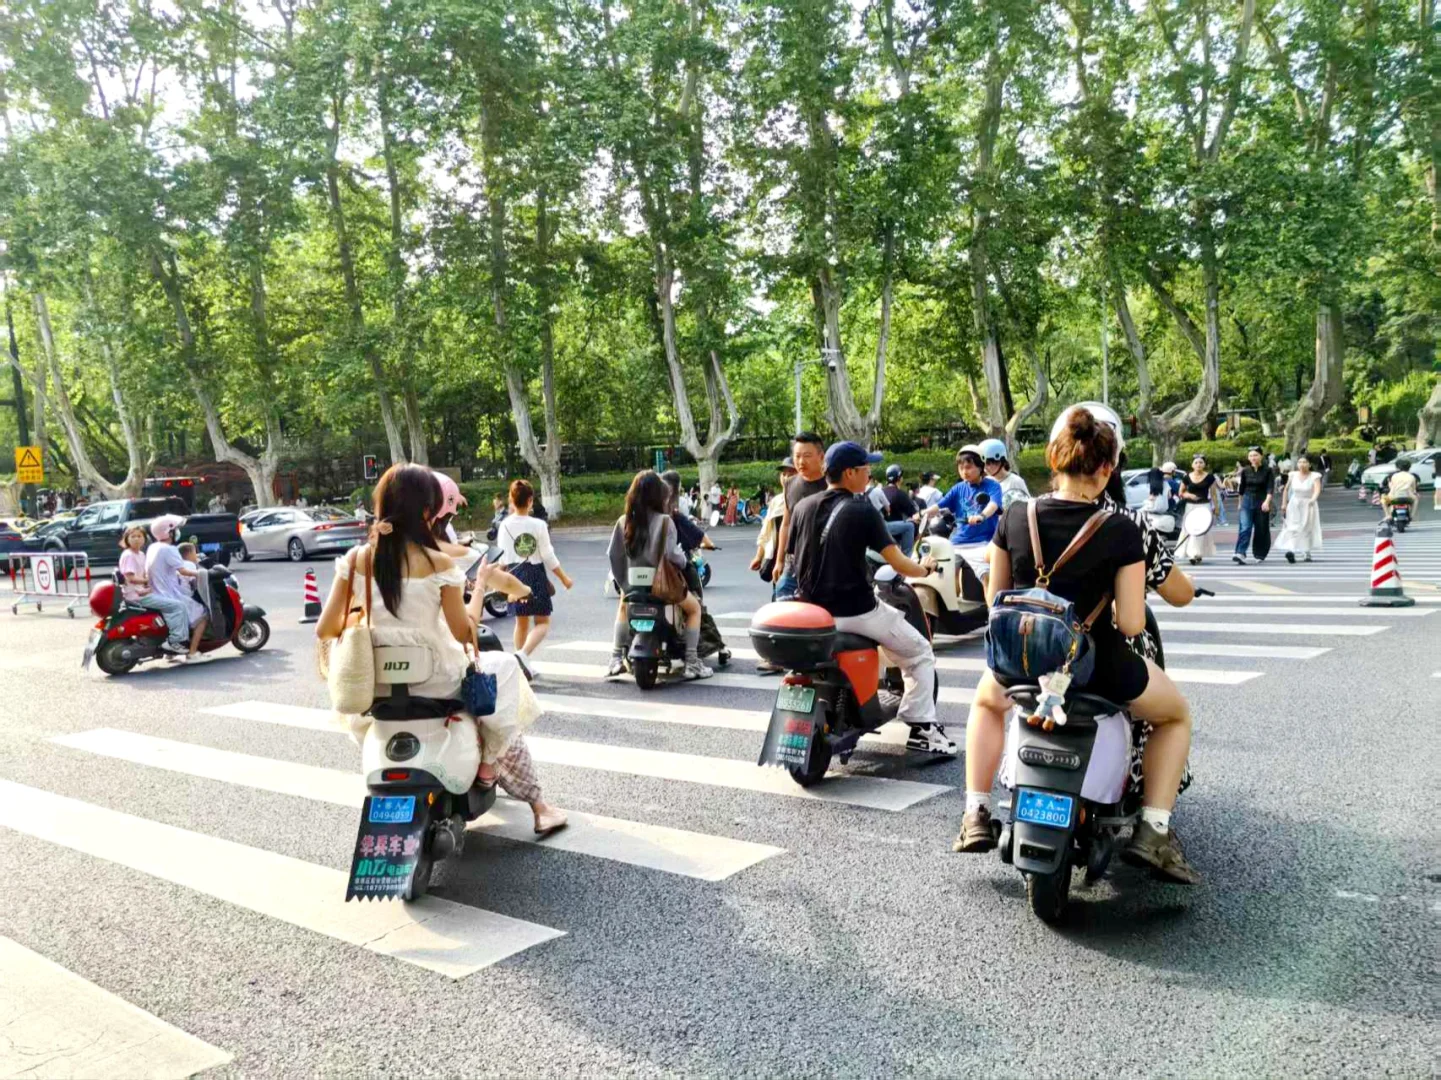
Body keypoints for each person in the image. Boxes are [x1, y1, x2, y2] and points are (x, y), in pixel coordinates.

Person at [952, 406, 1199, 884]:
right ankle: (1153, 830)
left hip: (1021, 663)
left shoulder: (1015, 515)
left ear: (1052, 457)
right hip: (1094, 666)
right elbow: (1130, 623)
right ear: (1107, 469)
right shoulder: (1122, 528)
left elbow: (995, 598)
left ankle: (976, 813)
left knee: (985, 704)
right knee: (1175, 715)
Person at [316, 465, 565, 836]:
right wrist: (478, 587)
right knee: (507, 669)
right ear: (428, 511)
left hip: (375, 686)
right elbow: (465, 633)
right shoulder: (439, 563)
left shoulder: (356, 561)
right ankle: (492, 767)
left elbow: (326, 628)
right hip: (437, 683)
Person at [790, 442, 954, 754]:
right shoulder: (862, 508)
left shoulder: (802, 508)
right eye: (866, 469)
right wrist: (925, 569)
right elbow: (898, 563)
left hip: (811, 613)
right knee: (920, 652)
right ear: (850, 473)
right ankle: (921, 726)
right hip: (856, 611)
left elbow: (795, 558)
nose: (870, 474)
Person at [606, 471, 713, 680]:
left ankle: (615, 658)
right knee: (694, 609)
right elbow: (674, 556)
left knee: (622, 607)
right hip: (662, 587)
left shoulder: (622, 522)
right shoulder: (665, 522)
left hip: (633, 587)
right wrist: (684, 563)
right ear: (657, 496)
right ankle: (692, 662)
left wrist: (624, 583)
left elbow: (613, 556)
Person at [496, 479, 574, 667]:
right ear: (530, 500)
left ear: (511, 501)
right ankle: (522, 656)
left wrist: (497, 581)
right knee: (542, 622)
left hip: (514, 575)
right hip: (535, 574)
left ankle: (520, 663)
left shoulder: (504, 525)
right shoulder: (538, 525)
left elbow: (502, 559)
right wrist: (564, 578)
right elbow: (548, 555)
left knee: (521, 624)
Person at [661, 470, 727, 664]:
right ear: (677, 489)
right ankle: (695, 655)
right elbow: (701, 538)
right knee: (696, 606)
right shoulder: (674, 517)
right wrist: (710, 545)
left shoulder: (646, 516)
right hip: (677, 570)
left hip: (648, 572)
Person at [920, 446, 1003, 580]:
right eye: (961, 468)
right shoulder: (958, 488)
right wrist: (923, 513)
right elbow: (940, 504)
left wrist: (981, 516)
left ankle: (992, 601)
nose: (964, 472)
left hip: (982, 542)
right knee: (943, 576)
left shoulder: (992, 486)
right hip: (957, 542)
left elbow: (993, 505)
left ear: (980, 466)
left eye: (969, 467)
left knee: (987, 577)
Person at [116, 526, 191, 656]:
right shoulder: (129, 555)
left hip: (143, 592)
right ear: (126, 539)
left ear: (144, 539)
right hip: (137, 596)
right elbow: (131, 578)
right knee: (178, 606)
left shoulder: (140, 554)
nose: (136, 539)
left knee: (170, 602)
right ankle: (174, 641)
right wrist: (147, 582)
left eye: (139, 536)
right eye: (133, 536)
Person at [772, 433, 829, 600]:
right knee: (782, 604)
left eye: (807, 456)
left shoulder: (832, 483)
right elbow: (786, 524)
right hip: (794, 564)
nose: (801, 461)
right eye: (797, 456)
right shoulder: (790, 484)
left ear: (821, 456)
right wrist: (779, 561)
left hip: (824, 565)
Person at [145, 515, 209, 660]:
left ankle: (171, 655)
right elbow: (183, 571)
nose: (178, 532)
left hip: (157, 590)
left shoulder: (153, 547)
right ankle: (192, 653)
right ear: (169, 532)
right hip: (169, 593)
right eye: (176, 529)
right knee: (203, 615)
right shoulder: (169, 549)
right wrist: (203, 574)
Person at [1175, 455, 1222, 566]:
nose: (1198, 465)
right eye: (1196, 462)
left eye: (1201, 462)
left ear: (1204, 465)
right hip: (1190, 506)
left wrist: (1216, 508)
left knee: (1200, 530)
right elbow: (1181, 492)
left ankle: (1195, 554)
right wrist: (1189, 495)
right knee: (1189, 529)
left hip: (1204, 506)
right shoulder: (1186, 477)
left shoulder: (1210, 477)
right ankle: (1193, 553)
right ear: (1192, 465)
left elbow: (1214, 494)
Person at [1276, 455, 1323, 563]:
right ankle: (1291, 551)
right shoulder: (1293, 475)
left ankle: (1306, 551)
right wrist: (1284, 504)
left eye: (1305, 462)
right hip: (1294, 503)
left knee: (1306, 527)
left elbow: (1317, 490)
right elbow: (1286, 489)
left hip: (1309, 504)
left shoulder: (1315, 476)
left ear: (1309, 464)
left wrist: (1313, 499)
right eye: (1300, 462)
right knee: (1293, 527)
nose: (1302, 464)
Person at [1232, 447, 1275, 565]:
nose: (1253, 458)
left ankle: (1259, 553)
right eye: (1251, 456)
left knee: (1261, 528)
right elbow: (1241, 489)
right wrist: (1240, 503)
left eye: (1255, 455)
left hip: (1261, 501)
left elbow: (1270, 488)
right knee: (1245, 527)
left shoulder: (1268, 470)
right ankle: (1240, 553)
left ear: (1261, 456)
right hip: (1247, 500)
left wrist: (1267, 502)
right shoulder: (1245, 471)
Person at [876, 464, 918, 554]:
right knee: (910, 525)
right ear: (899, 478)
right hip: (893, 534)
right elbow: (915, 515)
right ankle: (907, 557)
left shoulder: (880, 492)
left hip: (878, 531)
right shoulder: (900, 494)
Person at [979, 438, 1030, 509]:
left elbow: (1027, 507)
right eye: (983, 463)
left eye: (988, 463)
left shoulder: (1015, 481)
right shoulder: (985, 481)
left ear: (1001, 461)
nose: (985, 468)